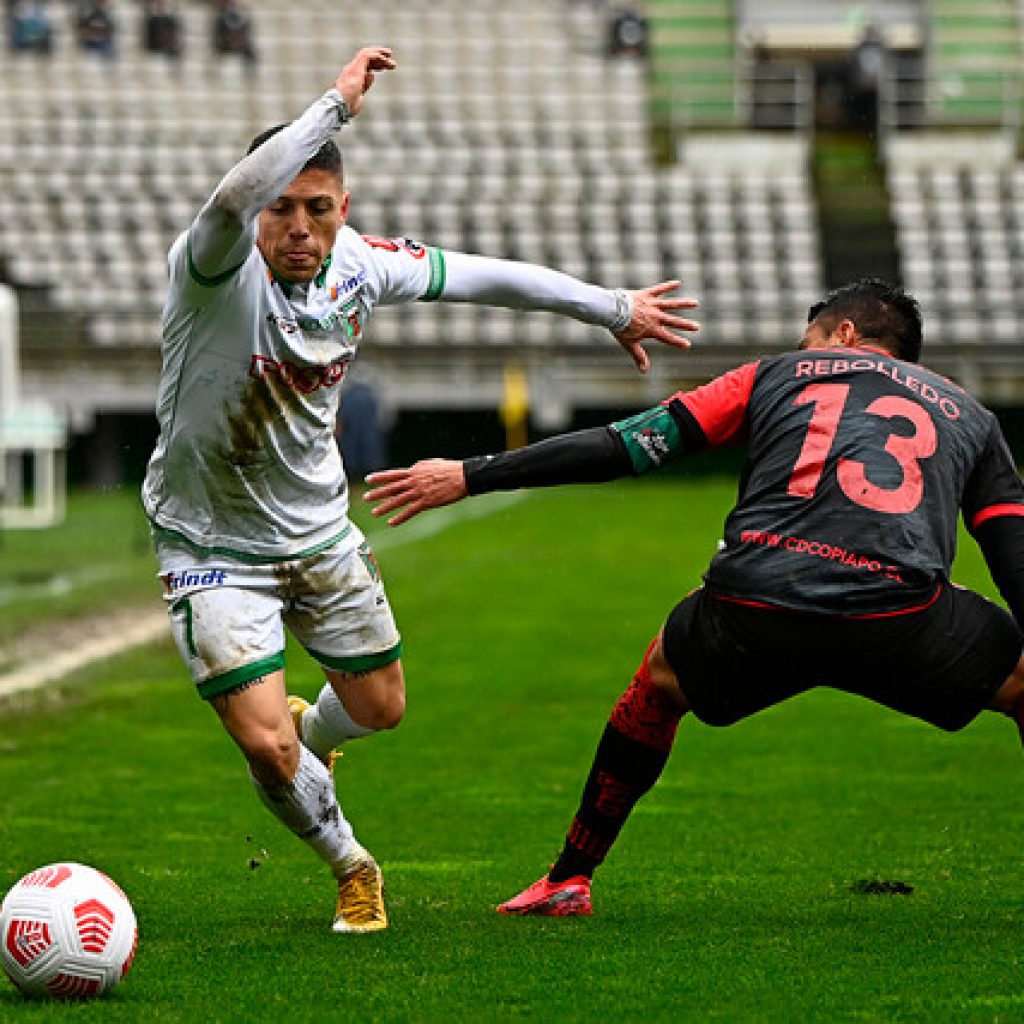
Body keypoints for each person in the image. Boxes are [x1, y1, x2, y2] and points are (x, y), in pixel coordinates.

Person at [141, 45, 699, 934]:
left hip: (319, 533)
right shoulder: (212, 265)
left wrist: (611, 307)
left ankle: (309, 744)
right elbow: (229, 200)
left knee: (380, 708)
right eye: (282, 208)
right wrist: (333, 107)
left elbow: (483, 276)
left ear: (344, 209)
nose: (298, 227)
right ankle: (351, 865)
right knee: (265, 746)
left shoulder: (361, 265)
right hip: (212, 544)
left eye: (318, 209)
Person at [364, 278, 1024, 917]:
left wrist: (471, 474)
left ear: (844, 333)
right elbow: (1011, 550)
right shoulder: (969, 414)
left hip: (756, 602)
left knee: (657, 684)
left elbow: (624, 447)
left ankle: (568, 878)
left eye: (810, 340)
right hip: (899, 612)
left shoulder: (773, 374)